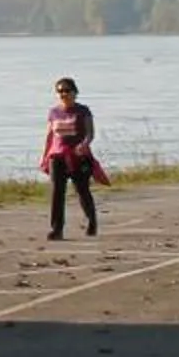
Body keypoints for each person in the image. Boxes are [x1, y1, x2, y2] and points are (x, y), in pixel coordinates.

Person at [41, 77, 107, 240]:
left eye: (67, 90)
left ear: (75, 92)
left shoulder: (83, 111)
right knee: (57, 192)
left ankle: (92, 221)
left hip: (78, 156)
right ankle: (57, 229)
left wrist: (84, 144)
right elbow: (50, 136)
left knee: (82, 190)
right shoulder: (54, 112)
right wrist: (45, 155)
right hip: (57, 156)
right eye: (60, 91)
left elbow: (90, 133)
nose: (64, 94)